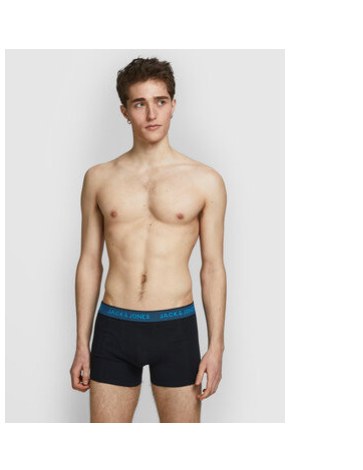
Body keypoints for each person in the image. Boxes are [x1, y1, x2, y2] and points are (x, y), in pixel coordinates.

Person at [70, 57, 227, 423]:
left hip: (176, 329)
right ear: (125, 111)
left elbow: (213, 267)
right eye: (140, 103)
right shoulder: (99, 178)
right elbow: (89, 262)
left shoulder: (206, 181)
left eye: (160, 101)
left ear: (173, 105)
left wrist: (216, 345)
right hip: (114, 327)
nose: (152, 113)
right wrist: (81, 343)